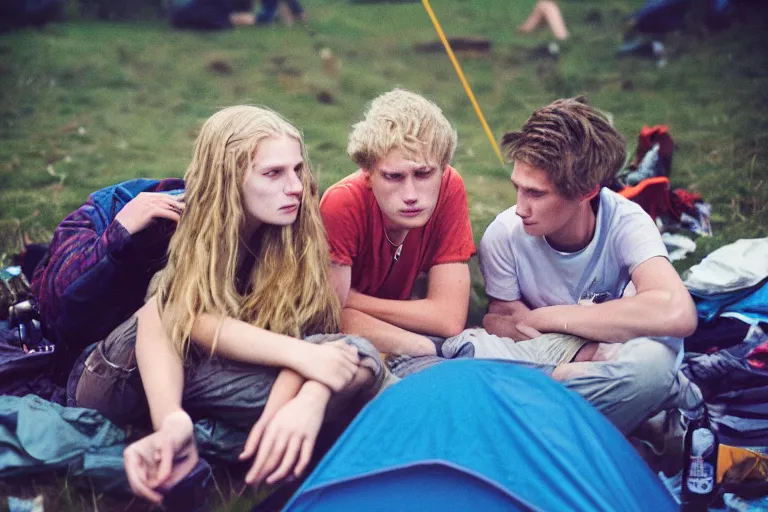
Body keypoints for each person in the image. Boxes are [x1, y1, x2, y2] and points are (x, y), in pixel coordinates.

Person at [37, 106, 382, 504]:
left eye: (298, 169)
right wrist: (304, 358)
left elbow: (313, 339)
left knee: (354, 360)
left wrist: (309, 397)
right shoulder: (174, 225)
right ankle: (179, 431)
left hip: (204, 370)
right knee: (338, 367)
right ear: (229, 178)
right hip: (118, 374)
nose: (296, 187)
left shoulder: (292, 235)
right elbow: (164, 315)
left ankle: (212, 439)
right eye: (273, 173)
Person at [478, 97, 701, 434]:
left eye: (536, 194)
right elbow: (501, 321)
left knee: (651, 368)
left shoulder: (626, 222)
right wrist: (584, 351)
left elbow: (676, 313)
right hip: (566, 369)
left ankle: (529, 429)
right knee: (479, 359)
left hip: (615, 367)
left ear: (586, 191)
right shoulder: (503, 234)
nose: (521, 207)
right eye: (517, 189)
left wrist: (546, 317)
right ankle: (636, 419)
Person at [320, 89, 476, 357]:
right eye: (393, 177)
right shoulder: (342, 202)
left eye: (423, 173)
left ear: (443, 166)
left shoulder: (450, 186)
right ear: (367, 174)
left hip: (377, 327)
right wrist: (419, 345)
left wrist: (354, 300)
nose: (411, 195)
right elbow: (329, 316)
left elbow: (449, 318)